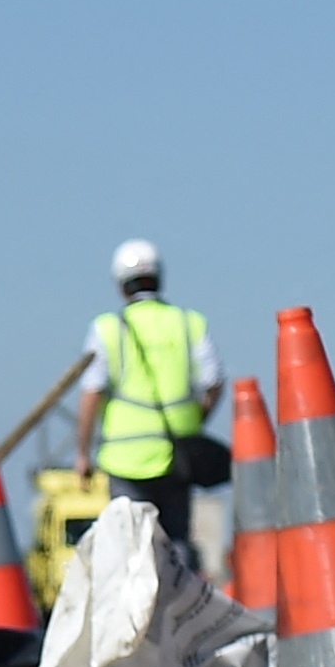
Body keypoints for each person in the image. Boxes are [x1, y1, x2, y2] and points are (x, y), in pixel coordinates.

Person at [74, 239, 226, 569]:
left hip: (124, 458)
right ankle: (182, 615)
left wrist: (82, 453)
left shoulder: (107, 329)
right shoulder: (189, 323)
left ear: (120, 285)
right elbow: (214, 382)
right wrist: (194, 421)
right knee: (177, 545)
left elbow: (91, 393)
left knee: (133, 548)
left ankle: (140, 618)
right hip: (177, 454)